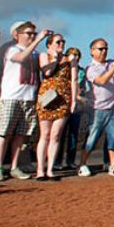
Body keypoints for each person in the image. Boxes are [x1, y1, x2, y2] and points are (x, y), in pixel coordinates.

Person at [0, 21, 48, 181]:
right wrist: (38, 40)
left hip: (28, 98)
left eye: (33, 33)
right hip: (11, 97)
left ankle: (14, 166)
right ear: (18, 35)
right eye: (28, 33)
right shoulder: (11, 50)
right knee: (4, 133)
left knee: (21, 135)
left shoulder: (35, 53)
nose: (32, 36)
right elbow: (20, 58)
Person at [78, 39, 114, 178]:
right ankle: (82, 164)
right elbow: (101, 81)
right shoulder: (90, 68)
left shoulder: (112, 62)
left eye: (105, 48)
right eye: (100, 49)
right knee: (91, 139)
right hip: (97, 108)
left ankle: (112, 164)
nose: (104, 51)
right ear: (92, 51)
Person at [34, 33, 77, 180]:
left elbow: (74, 79)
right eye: (58, 42)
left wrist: (74, 100)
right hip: (47, 98)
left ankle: (50, 168)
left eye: (63, 42)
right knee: (44, 134)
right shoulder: (44, 56)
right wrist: (54, 58)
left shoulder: (69, 59)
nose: (61, 44)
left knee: (55, 135)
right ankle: (40, 169)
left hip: (63, 98)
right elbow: (47, 72)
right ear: (49, 44)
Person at [60, 46, 90, 169]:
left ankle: (70, 161)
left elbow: (83, 86)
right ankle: (57, 161)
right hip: (64, 104)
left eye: (77, 55)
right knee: (60, 134)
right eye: (73, 54)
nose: (76, 57)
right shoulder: (63, 70)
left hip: (77, 106)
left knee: (73, 134)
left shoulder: (82, 71)